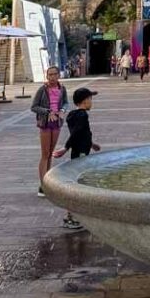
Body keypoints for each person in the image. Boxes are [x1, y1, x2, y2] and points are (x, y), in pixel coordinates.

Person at [54, 87, 100, 230]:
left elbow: (82, 133)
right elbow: (76, 133)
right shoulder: (82, 116)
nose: (92, 102)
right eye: (90, 99)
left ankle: (73, 215)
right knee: (79, 184)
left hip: (80, 150)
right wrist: (65, 147)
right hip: (80, 152)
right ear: (85, 101)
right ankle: (70, 216)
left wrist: (91, 144)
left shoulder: (74, 115)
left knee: (80, 182)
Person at [31, 66, 68, 196]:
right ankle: (42, 185)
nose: (52, 77)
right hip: (45, 123)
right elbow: (34, 107)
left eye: (55, 74)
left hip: (56, 123)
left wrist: (62, 110)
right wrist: (47, 112)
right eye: (50, 74)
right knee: (45, 154)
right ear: (47, 76)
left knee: (50, 153)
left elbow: (65, 103)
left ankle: (48, 182)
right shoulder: (42, 89)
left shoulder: (62, 89)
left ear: (59, 75)